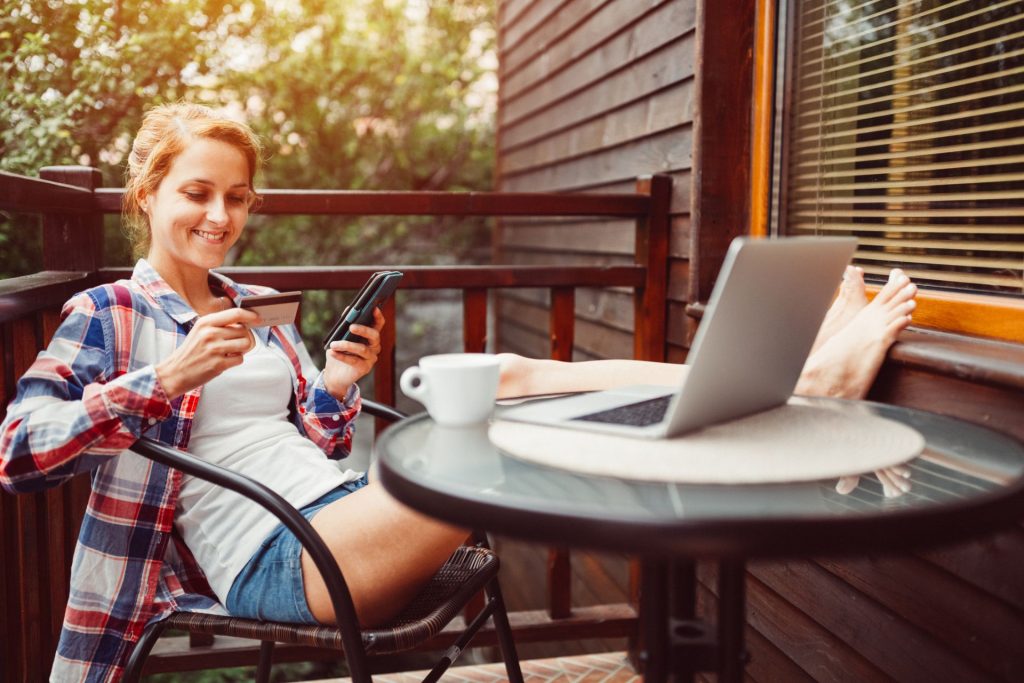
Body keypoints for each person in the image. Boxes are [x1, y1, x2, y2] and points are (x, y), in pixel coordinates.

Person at [0, 103, 917, 681]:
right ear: (149, 192)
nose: (221, 216)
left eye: (238, 198)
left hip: (343, 507)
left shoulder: (254, 307)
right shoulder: (108, 311)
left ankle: (787, 379)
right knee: (510, 439)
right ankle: (796, 389)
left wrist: (339, 382)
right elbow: (19, 448)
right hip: (281, 558)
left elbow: (311, 438)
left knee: (510, 380)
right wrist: (160, 379)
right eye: (197, 192)